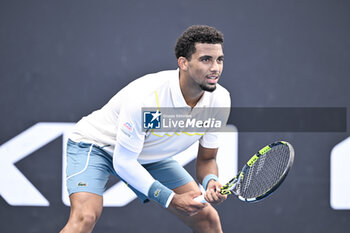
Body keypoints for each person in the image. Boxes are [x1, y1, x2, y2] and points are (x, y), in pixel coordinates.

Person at [60, 25, 231, 233]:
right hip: (96, 146)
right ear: (183, 63)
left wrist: (211, 180)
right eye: (206, 59)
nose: (215, 68)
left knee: (207, 218)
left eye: (219, 59)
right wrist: (171, 199)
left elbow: (207, 160)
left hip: (146, 155)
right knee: (84, 217)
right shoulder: (147, 98)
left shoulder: (220, 100)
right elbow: (123, 162)